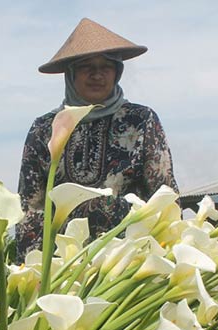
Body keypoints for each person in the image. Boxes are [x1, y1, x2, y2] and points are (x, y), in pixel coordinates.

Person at [16, 18, 178, 260]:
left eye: (106, 67)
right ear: (70, 73)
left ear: (117, 72)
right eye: (86, 67)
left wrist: (169, 255)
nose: (97, 75)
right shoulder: (44, 128)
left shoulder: (141, 120)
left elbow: (163, 195)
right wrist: (33, 270)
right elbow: (30, 207)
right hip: (63, 264)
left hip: (128, 262)